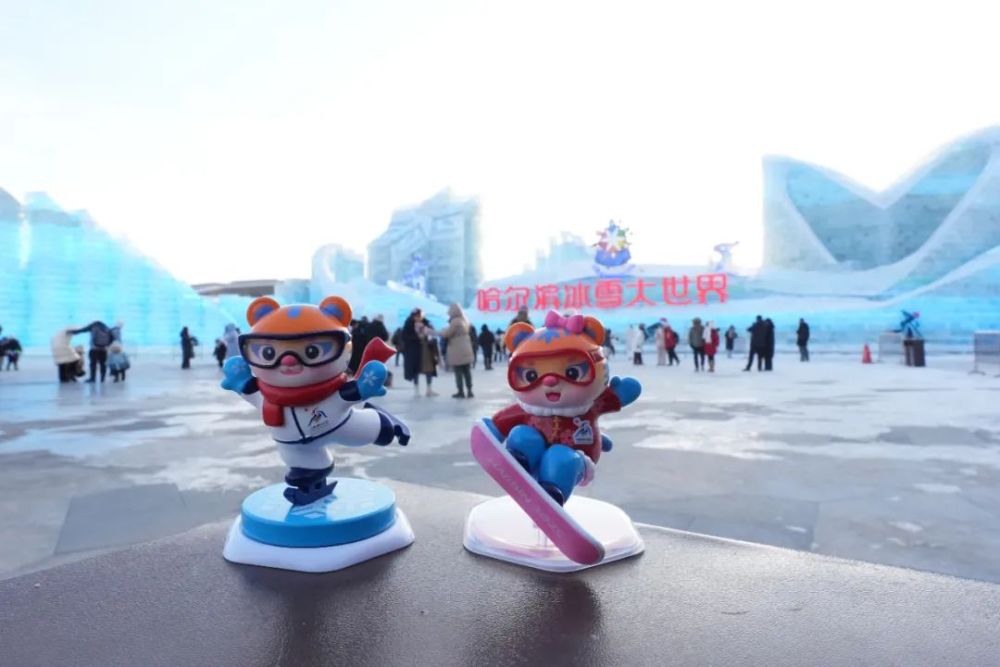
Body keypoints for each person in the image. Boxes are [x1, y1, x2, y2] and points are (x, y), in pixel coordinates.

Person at [443, 304, 475, 398]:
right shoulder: (464, 320)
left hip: (457, 351)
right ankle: (469, 390)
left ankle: (460, 391)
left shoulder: (455, 321)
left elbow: (448, 334)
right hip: (466, 349)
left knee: (458, 372)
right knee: (467, 372)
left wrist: (439, 332)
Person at [401, 309, 426, 395]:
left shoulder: (421, 322)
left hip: (417, 349)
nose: (419, 318)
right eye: (418, 316)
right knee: (415, 370)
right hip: (412, 350)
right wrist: (417, 337)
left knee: (417, 369)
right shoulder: (409, 323)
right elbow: (405, 336)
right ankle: (416, 388)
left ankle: (418, 388)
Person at [417, 317, 440, 396]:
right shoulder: (425, 330)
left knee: (427, 371)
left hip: (425, 352)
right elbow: (432, 339)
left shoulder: (418, 329)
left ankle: (423, 390)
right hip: (427, 352)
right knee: (428, 371)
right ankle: (428, 390)